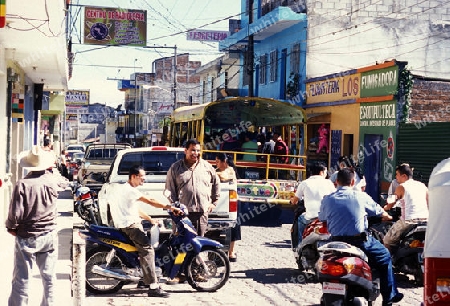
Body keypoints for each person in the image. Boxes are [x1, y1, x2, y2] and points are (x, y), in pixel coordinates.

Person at [319, 168, 403, 306]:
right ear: (353, 182)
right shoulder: (361, 196)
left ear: (337, 182)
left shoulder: (327, 199)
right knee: (385, 256)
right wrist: (387, 217)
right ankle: (389, 297)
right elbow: (381, 212)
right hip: (359, 242)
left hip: (334, 242)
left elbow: (322, 217)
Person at [5, 145, 68, 306]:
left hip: (27, 235)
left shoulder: (23, 184)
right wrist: (52, 168)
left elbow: (15, 213)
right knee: (49, 277)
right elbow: (65, 182)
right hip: (49, 234)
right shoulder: (53, 180)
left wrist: (11, 227)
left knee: (22, 278)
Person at [108, 165, 181, 298]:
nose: (144, 180)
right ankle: (153, 286)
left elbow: (135, 210)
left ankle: (143, 278)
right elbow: (151, 201)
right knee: (148, 250)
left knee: (141, 249)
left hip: (126, 223)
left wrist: (150, 219)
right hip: (131, 226)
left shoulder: (124, 188)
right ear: (134, 177)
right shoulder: (131, 191)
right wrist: (169, 207)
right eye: (142, 177)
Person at [165, 139, 220, 237]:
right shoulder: (176, 168)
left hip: (201, 213)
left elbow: (216, 183)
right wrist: (175, 207)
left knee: (198, 242)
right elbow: (169, 189)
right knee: (181, 243)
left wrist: (213, 203)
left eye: (198, 151)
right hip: (182, 213)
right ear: (185, 151)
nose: (196, 153)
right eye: (193, 150)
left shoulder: (207, 167)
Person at [383, 164, 429, 251]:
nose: (396, 177)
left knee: (387, 241)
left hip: (409, 221)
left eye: (397, 174)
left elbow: (391, 202)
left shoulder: (401, 187)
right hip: (425, 221)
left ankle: (388, 262)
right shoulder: (423, 185)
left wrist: (385, 208)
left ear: (404, 176)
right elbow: (429, 203)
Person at [290, 162, 335, 248]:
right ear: (321, 172)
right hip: (327, 218)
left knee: (299, 219)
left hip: (310, 218)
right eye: (326, 171)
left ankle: (299, 247)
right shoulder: (329, 183)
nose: (326, 174)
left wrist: (292, 201)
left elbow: (295, 200)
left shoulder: (304, 183)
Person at [215, 153, 240, 262]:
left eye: (217, 161)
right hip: (218, 205)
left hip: (231, 202)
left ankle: (231, 252)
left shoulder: (230, 170)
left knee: (234, 228)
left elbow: (226, 178)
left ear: (224, 162)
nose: (216, 164)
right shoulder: (215, 171)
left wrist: (217, 175)